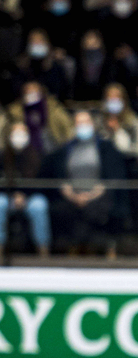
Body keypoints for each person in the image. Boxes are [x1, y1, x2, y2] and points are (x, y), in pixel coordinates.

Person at [41, 110, 127, 258]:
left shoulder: (104, 147)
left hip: (99, 194)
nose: (83, 126)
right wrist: (72, 194)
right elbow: (60, 177)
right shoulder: (66, 149)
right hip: (72, 196)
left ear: (93, 124)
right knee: (63, 209)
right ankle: (75, 249)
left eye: (86, 122)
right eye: (79, 123)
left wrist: (91, 195)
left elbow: (111, 176)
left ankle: (95, 249)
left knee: (96, 209)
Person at [0, 122, 51, 258]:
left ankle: (43, 251)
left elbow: (41, 182)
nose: (19, 136)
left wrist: (24, 195)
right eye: (15, 133)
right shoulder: (2, 156)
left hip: (31, 197)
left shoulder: (37, 155)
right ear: (9, 136)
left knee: (39, 206)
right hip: (8, 196)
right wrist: (13, 194)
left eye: (22, 133)